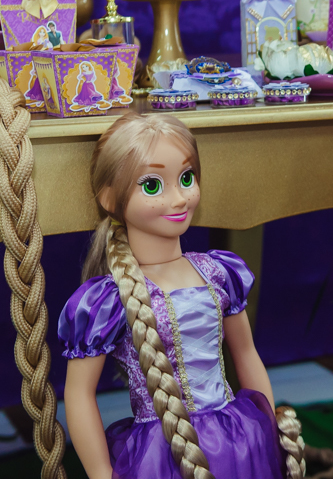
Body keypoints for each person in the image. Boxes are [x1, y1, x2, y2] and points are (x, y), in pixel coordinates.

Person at [59, 113, 283, 479]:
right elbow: (79, 394)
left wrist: (269, 434)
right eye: (152, 185)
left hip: (236, 440)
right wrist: (100, 471)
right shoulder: (109, 300)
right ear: (109, 197)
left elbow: (246, 354)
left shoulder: (218, 273)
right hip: (162, 454)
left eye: (187, 178)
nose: (179, 198)